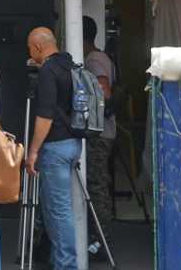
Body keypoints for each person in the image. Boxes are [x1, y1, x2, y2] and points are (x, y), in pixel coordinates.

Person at [25, 27, 81, 270]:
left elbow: (45, 115)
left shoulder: (48, 71)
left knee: (58, 213)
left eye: (30, 47)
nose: (29, 52)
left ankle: (66, 265)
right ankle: (60, 262)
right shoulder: (68, 64)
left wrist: (33, 151)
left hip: (55, 147)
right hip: (72, 143)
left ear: (37, 47)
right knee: (57, 210)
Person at [83, 17, 115, 255]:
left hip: (100, 132)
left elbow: (104, 90)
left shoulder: (94, 60)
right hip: (105, 131)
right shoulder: (102, 57)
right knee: (98, 184)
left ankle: (100, 242)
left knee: (96, 186)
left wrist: (87, 110)